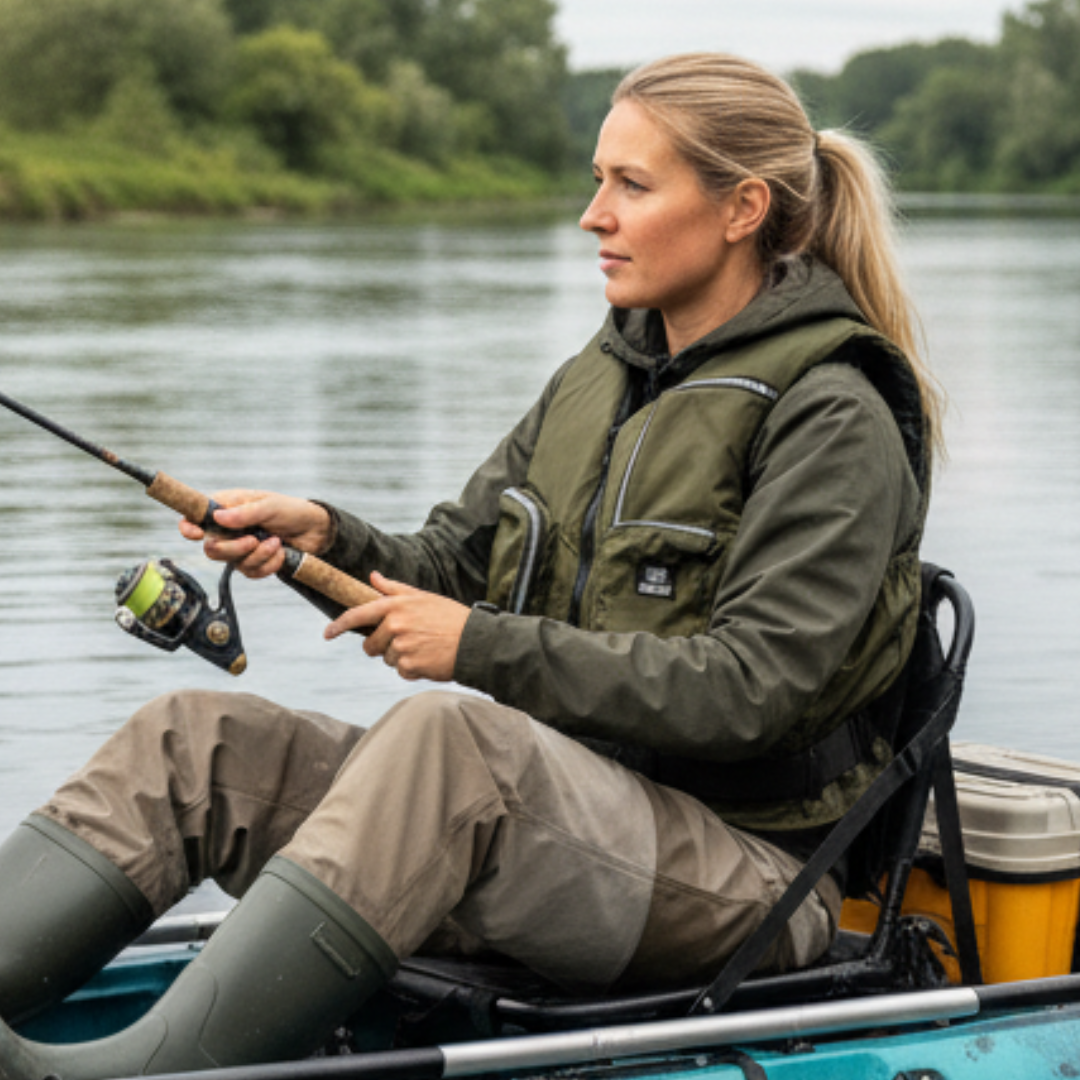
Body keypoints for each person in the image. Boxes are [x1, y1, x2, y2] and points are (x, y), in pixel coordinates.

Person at [0, 52, 938, 1078]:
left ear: (741, 208)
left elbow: (754, 691)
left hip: (751, 880)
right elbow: (457, 559)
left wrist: (480, 649)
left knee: (452, 743)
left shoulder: (834, 416)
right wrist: (328, 537)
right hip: (545, 821)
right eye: (597, 180)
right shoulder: (602, 374)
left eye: (632, 185)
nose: (595, 215)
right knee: (194, 741)